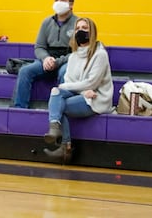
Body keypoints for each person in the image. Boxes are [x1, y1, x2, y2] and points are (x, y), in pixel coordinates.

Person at [43, 17, 113, 164]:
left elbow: (92, 82)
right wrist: (81, 91)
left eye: (85, 28)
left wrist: (71, 88)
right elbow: (69, 81)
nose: (80, 31)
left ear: (92, 32)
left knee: (59, 105)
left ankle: (65, 147)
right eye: (78, 28)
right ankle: (54, 127)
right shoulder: (74, 55)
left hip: (96, 98)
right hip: (83, 94)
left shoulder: (100, 54)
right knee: (56, 91)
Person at [11, 0, 77, 108]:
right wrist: (46, 58)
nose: (58, 2)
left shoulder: (78, 23)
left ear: (71, 4)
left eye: (63, 0)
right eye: (56, 0)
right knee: (25, 71)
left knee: (65, 73)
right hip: (48, 59)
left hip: (67, 61)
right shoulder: (46, 22)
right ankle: (19, 108)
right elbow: (39, 47)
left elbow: (78, 52)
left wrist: (58, 62)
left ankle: (63, 108)